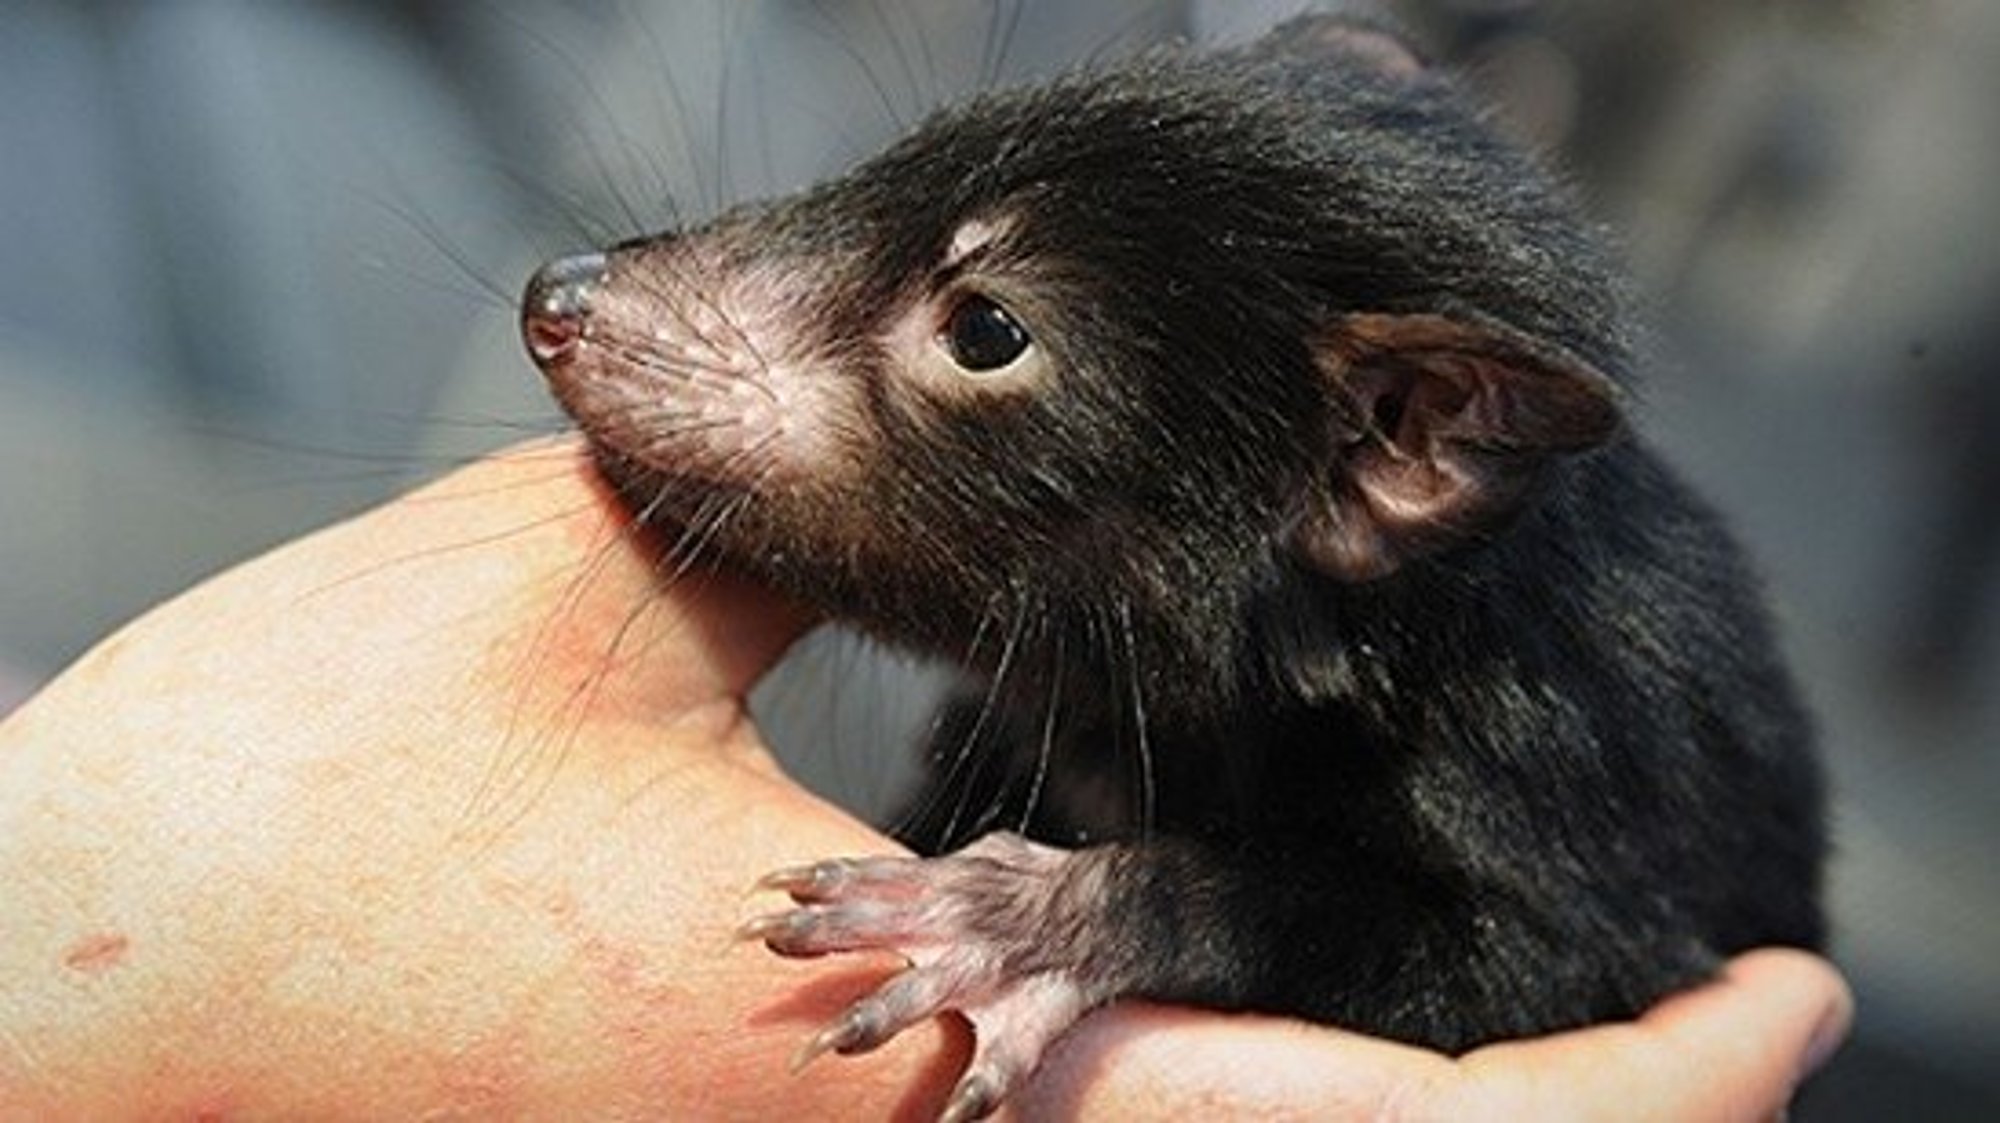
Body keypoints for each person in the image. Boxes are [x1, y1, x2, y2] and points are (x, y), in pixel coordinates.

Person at [0, 440, 1849, 1120]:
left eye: (983, 340)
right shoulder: (1089, 680)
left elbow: (1492, 949)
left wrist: (1116, 918)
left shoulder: (1523, 747)